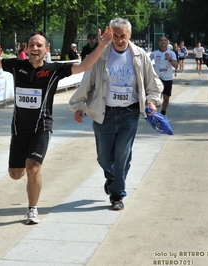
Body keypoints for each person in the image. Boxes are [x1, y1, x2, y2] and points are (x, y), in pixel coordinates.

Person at [0, 22, 113, 224]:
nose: (35, 49)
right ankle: (25, 168)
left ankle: (32, 209)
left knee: (33, 169)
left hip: (41, 128)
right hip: (19, 129)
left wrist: (100, 46)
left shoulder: (54, 70)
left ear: (46, 49)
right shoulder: (17, 66)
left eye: (39, 45)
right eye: (32, 45)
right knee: (16, 174)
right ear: (27, 48)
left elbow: (84, 66)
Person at [69, 17, 163, 211]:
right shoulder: (101, 55)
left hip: (129, 112)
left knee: (122, 154)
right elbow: (87, 82)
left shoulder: (140, 56)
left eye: (124, 36)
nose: (119, 40)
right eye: (116, 36)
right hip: (104, 113)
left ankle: (117, 194)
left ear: (129, 35)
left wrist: (152, 102)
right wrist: (78, 105)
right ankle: (112, 178)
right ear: (110, 35)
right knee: (103, 157)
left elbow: (153, 84)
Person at [150, 36, 178, 121]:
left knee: (166, 99)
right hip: (157, 78)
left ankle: (163, 112)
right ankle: (155, 114)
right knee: (157, 97)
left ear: (167, 42)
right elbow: (147, 62)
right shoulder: (154, 53)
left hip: (168, 78)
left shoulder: (171, 53)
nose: (163, 42)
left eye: (165, 40)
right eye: (161, 40)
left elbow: (176, 66)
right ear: (159, 43)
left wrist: (169, 59)